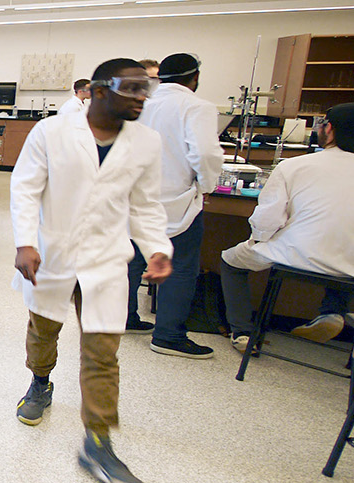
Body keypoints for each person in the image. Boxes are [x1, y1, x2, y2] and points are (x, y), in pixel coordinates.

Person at [10, 58, 172, 483]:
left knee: (103, 351)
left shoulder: (147, 142)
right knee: (43, 330)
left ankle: (98, 441)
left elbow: (145, 205)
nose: (142, 97)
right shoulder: (52, 132)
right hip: (53, 254)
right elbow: (25, 187)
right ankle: (40, 382)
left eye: (147, 89)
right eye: (132, 88)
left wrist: (157, 247)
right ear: (100, 90)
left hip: (106, 261)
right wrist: (26, 242)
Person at [222, 103, 354, 350]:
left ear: (331, 130)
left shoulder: (295, 166)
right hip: (349, 267)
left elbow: (268, 220)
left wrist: (258, 241)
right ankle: (333, 311)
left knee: (231, 261)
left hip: (298, 254)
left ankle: (243, 333)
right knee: (342, 255)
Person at [132, 53, 224, 358]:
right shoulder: (197, 107)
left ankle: (124, 318)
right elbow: (206, 155)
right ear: (194, 77)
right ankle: (168, 335)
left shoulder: (141, 103)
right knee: (181, 265)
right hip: (175, 201)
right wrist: (207, 186)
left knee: (131, 260)